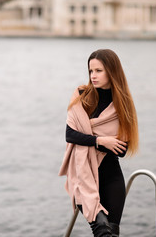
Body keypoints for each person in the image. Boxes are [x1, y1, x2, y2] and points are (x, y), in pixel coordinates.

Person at [59, 49, 139, 237]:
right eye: (90, 71)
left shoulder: (123, 104)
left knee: (113, 233)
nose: (93, 76)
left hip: (112, 177)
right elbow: (70, 134)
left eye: (98, 71)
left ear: (112, 71)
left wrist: (92, 140)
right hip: (82, 177)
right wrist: (100, 140)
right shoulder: (82, 95)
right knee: (102, 230)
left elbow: (122, 150)